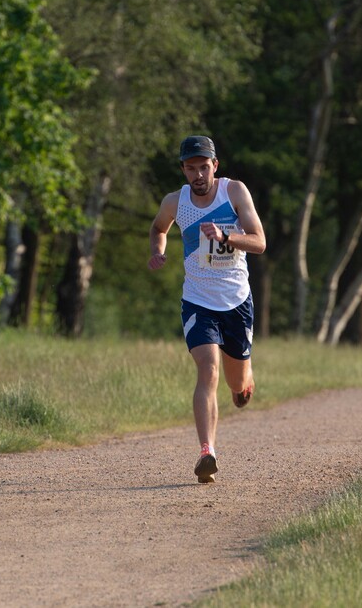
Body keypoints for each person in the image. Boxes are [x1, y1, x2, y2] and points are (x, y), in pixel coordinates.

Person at [148, 135, 266, 483]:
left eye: (203, 167)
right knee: (208, 370)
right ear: (183, 169)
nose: (198, 175)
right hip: (198, 300)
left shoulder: (235, 192)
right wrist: (158, 250)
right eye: (191, 168)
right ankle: (206, 452)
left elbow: (259, 242)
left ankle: (244, 380)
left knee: (236, 383)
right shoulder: (176, 201)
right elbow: (158, 228)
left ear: (215, 166)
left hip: (236, 300)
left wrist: (226, 237)